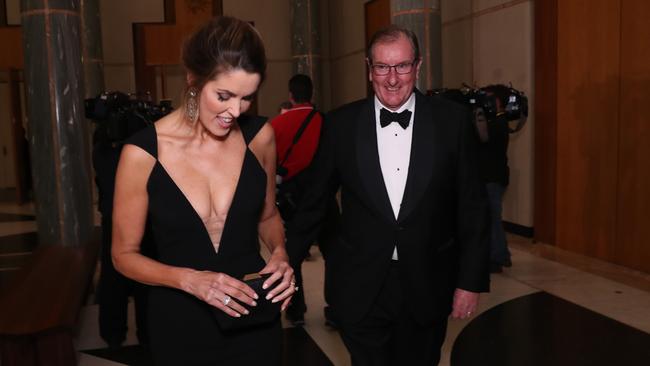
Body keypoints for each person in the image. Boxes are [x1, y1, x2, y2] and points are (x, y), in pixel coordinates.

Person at [285, 25, 489, 366]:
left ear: (418, 66)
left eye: (402, 66)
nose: (392, 78)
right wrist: (286, 262)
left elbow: (472, 206)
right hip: (361, 285)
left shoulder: (451, 122)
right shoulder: (340, 126)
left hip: (427, 283)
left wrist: (469, 282)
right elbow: (315, 203)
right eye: (382, 67)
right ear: (369, 68)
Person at [111, 16, 296, 365]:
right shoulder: (141, 153)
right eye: (224, 95)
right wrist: (189, 280)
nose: (234, 111)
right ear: (194, 78)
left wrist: (280, 253)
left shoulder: (260, 138)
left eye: (247, 98)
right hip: (181, 319)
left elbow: (269, 216)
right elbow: (123, 255)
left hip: (254, 316)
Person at [270, 74, 339, 327]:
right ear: (312, 94)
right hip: (324, 196)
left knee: (293, 255)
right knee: (334, 253)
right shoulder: (326, 121)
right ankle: (335, 310)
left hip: (293, 198)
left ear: (290, 95)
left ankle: (296, 310)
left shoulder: (277, 125)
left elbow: (270, 163)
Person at [92, 119, 150, 348]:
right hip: (138, 219)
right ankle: (144, 334)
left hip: (114, 219)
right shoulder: (134, 152)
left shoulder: (101, 149)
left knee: (113, 278)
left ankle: (113, 333)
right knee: (141, 278)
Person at [479, 84, 513, 273]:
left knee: (492, 219)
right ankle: (497, 255)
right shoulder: (497, 121)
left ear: (497, 101)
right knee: (490, 218)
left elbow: (482, 138)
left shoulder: (499, 123)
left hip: (493, 178)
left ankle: (498, 256)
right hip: (491, 177)